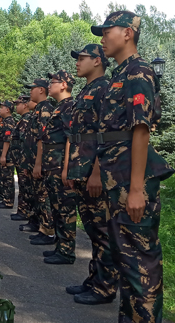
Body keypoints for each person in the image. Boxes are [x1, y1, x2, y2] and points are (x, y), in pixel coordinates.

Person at [92, 11, 174, 322]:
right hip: (119, 179)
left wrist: (137, 189)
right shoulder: (121, 73)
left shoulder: (139, 73)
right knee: (126, 260)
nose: (102, 37)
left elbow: (141, 129)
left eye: (107, 31)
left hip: (130, 182)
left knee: (141, 265)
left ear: (128, 33)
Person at [65, 44, 119, 304]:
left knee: (103, 230)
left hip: (94, 171)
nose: (77, 62)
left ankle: (105, 288)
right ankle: (94, 280)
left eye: (82, 58)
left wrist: (97, 172)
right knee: (93, 231)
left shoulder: (104, 89)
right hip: (81, 169)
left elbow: (104, 134)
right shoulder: (87, 90)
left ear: (97, 61)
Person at [37, 70, 76, 254]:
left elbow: (70, 138)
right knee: (56, 206)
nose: (49, 85)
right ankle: (60, 246)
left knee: (64, 208)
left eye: (53, 82)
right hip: (53, 166)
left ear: (64, 85)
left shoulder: (69, 107)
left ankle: (66, 251)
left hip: (60, 165)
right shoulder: (59, 107)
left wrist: (67, 168)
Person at [22, 78, 54, 242]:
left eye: (32, 89)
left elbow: (42, 138)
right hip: (33, 161)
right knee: (37, 195)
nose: (30, 92)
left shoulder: (46, 109)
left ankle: (47, 230)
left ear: (41, 90)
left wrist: (38, 163)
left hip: (40, 162)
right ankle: (39, 224)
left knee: (43, 196)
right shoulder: (39, 110)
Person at [9, 95, 33, 221]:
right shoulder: (22, 120)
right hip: (20, 160)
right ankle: (23, 211)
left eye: (18, 104)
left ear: (25, 105)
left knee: (25, 186)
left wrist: (24, 160)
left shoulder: (26, 120)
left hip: (23, 160)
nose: (16, 106)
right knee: (23, 186)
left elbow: (25, 142)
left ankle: (25, 212)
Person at [0, 100, 17, 209]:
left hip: (8, 156)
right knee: (4, 177)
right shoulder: (5, 121)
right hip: (4, 155)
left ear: (7, 109)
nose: (0, 110)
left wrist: (3, 155)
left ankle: (8, 201)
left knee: (8, 178)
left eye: (2, 107)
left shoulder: (9, 122)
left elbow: (7, 140)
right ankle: (5, 198)